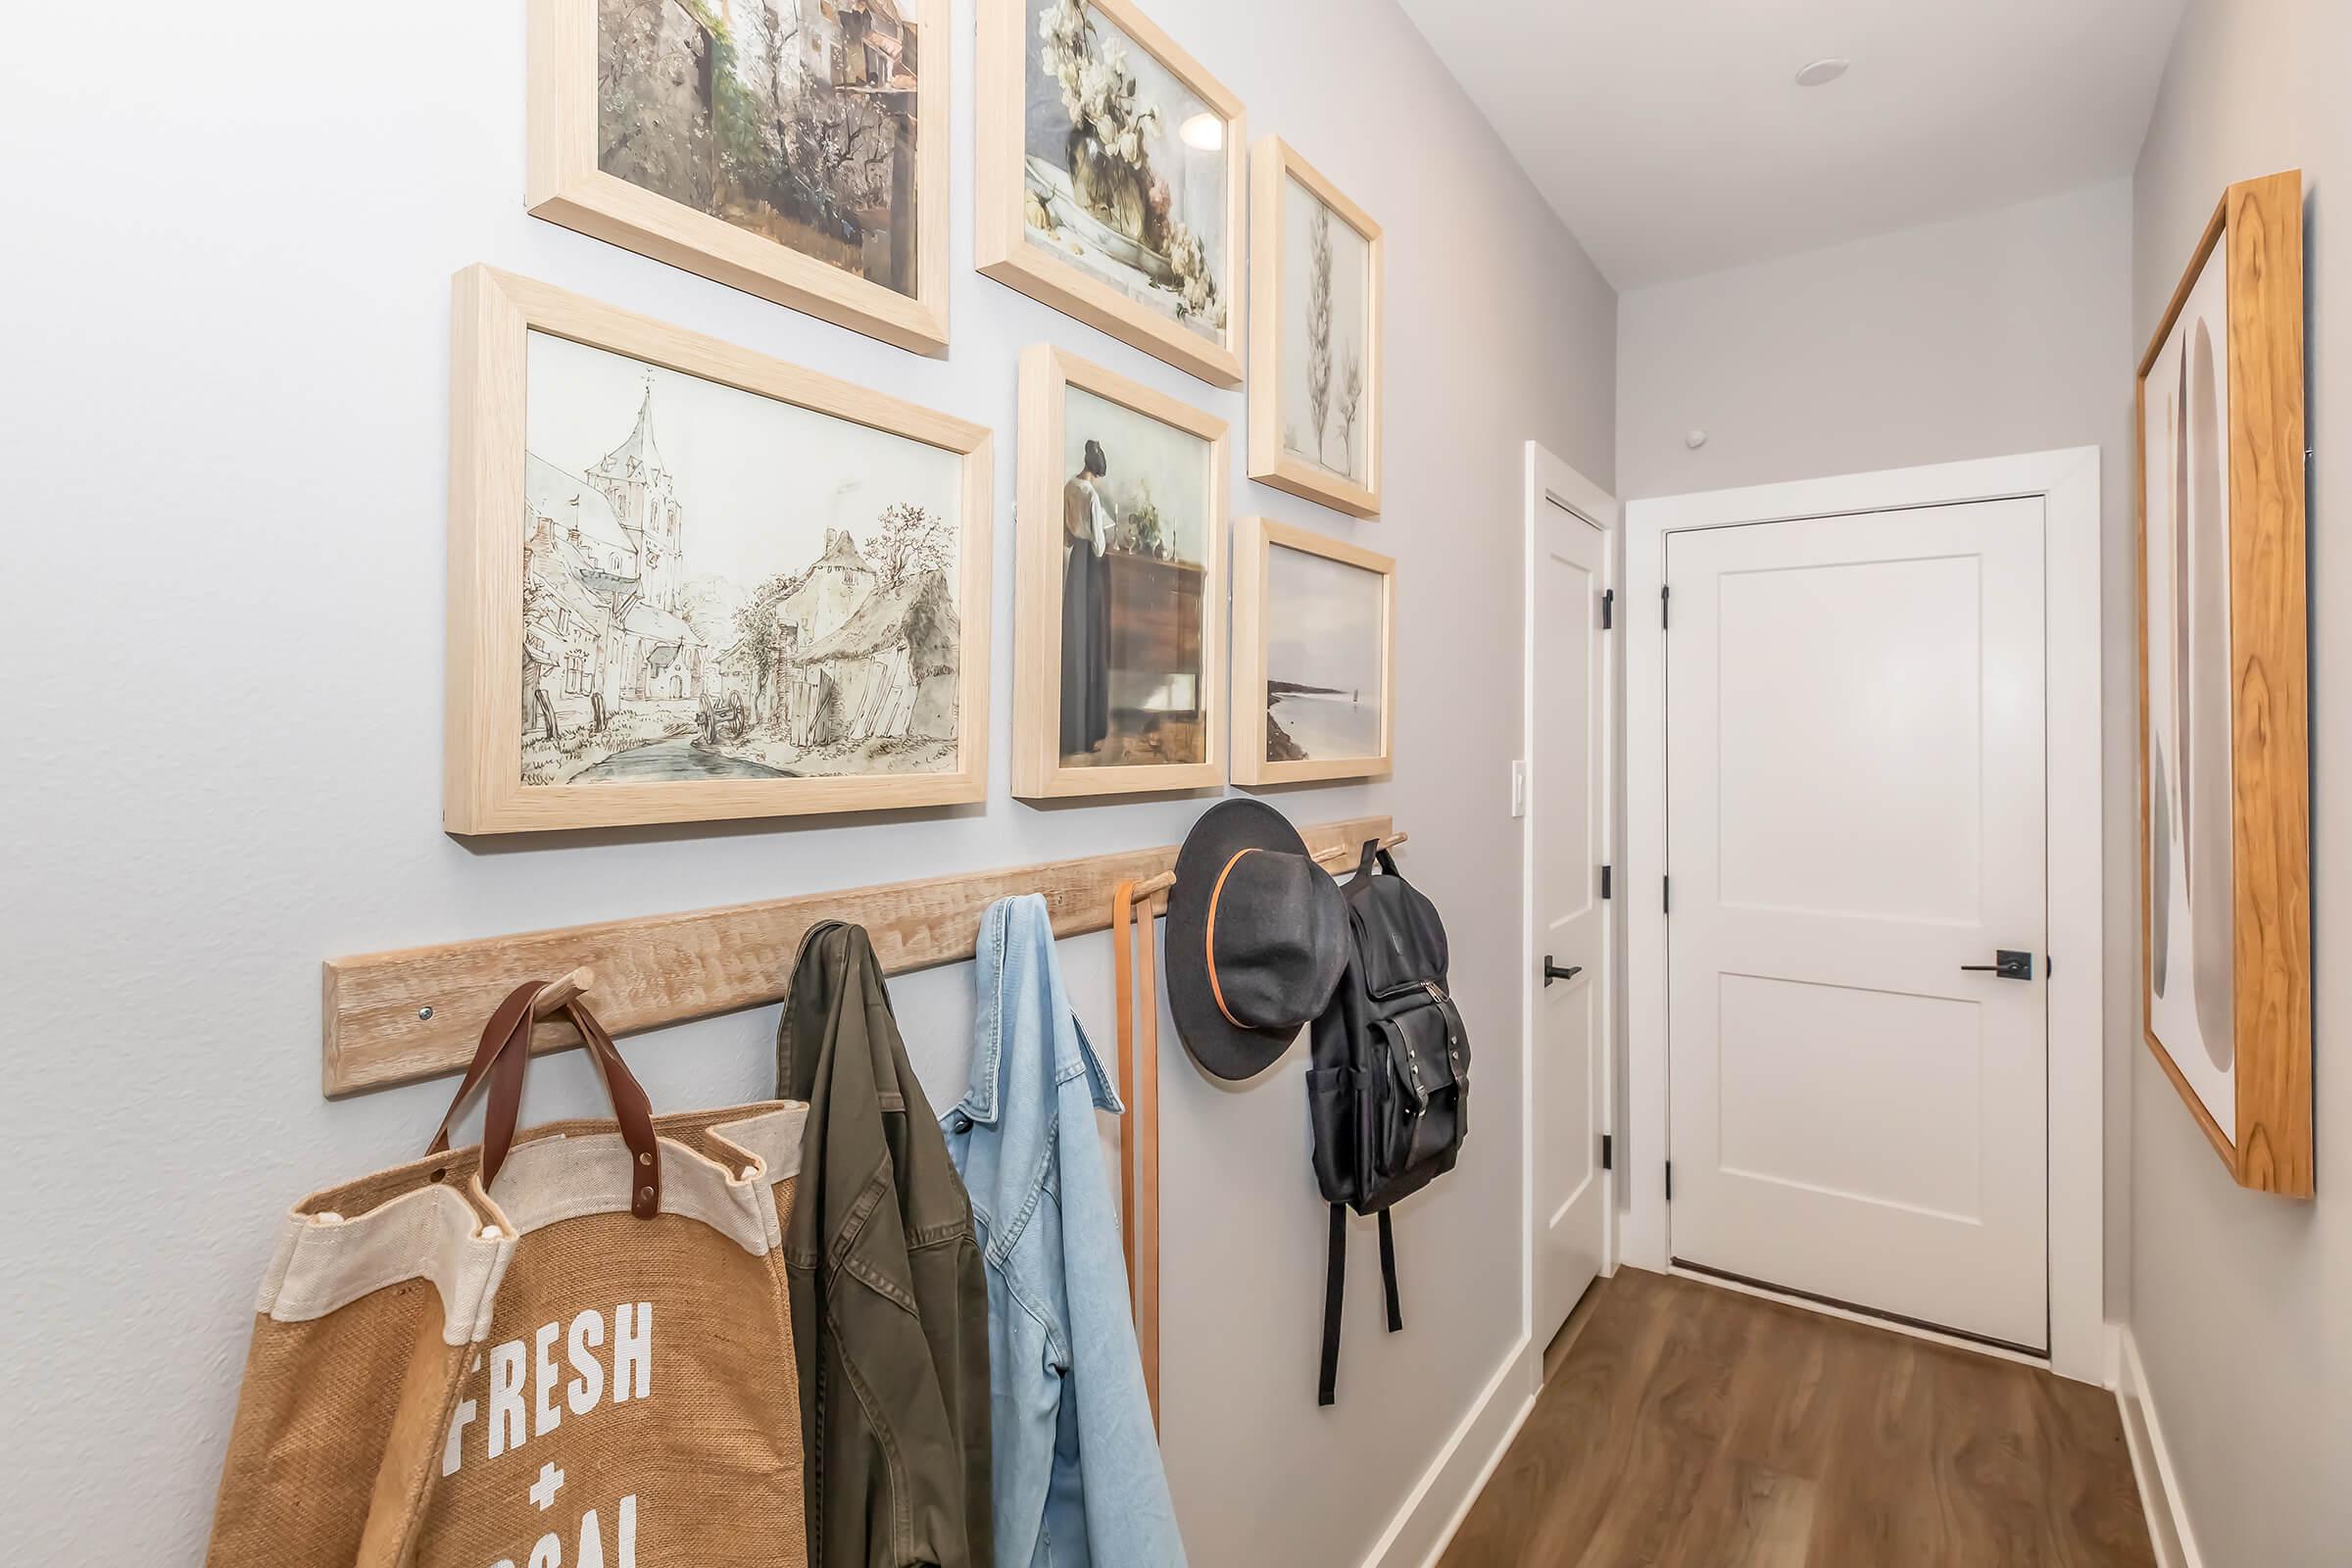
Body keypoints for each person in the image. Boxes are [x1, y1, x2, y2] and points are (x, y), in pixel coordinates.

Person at [1060, 439, 1113, 758]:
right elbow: (1100, 545)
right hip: (1091, 564)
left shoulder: (1069, 486)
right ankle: (1092, 731)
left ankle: (1070, 728)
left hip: (1074, 565)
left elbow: (1067, 534)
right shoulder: (1091, 494)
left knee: (1074, 635)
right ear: (1097, 471)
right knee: (1093, 637)